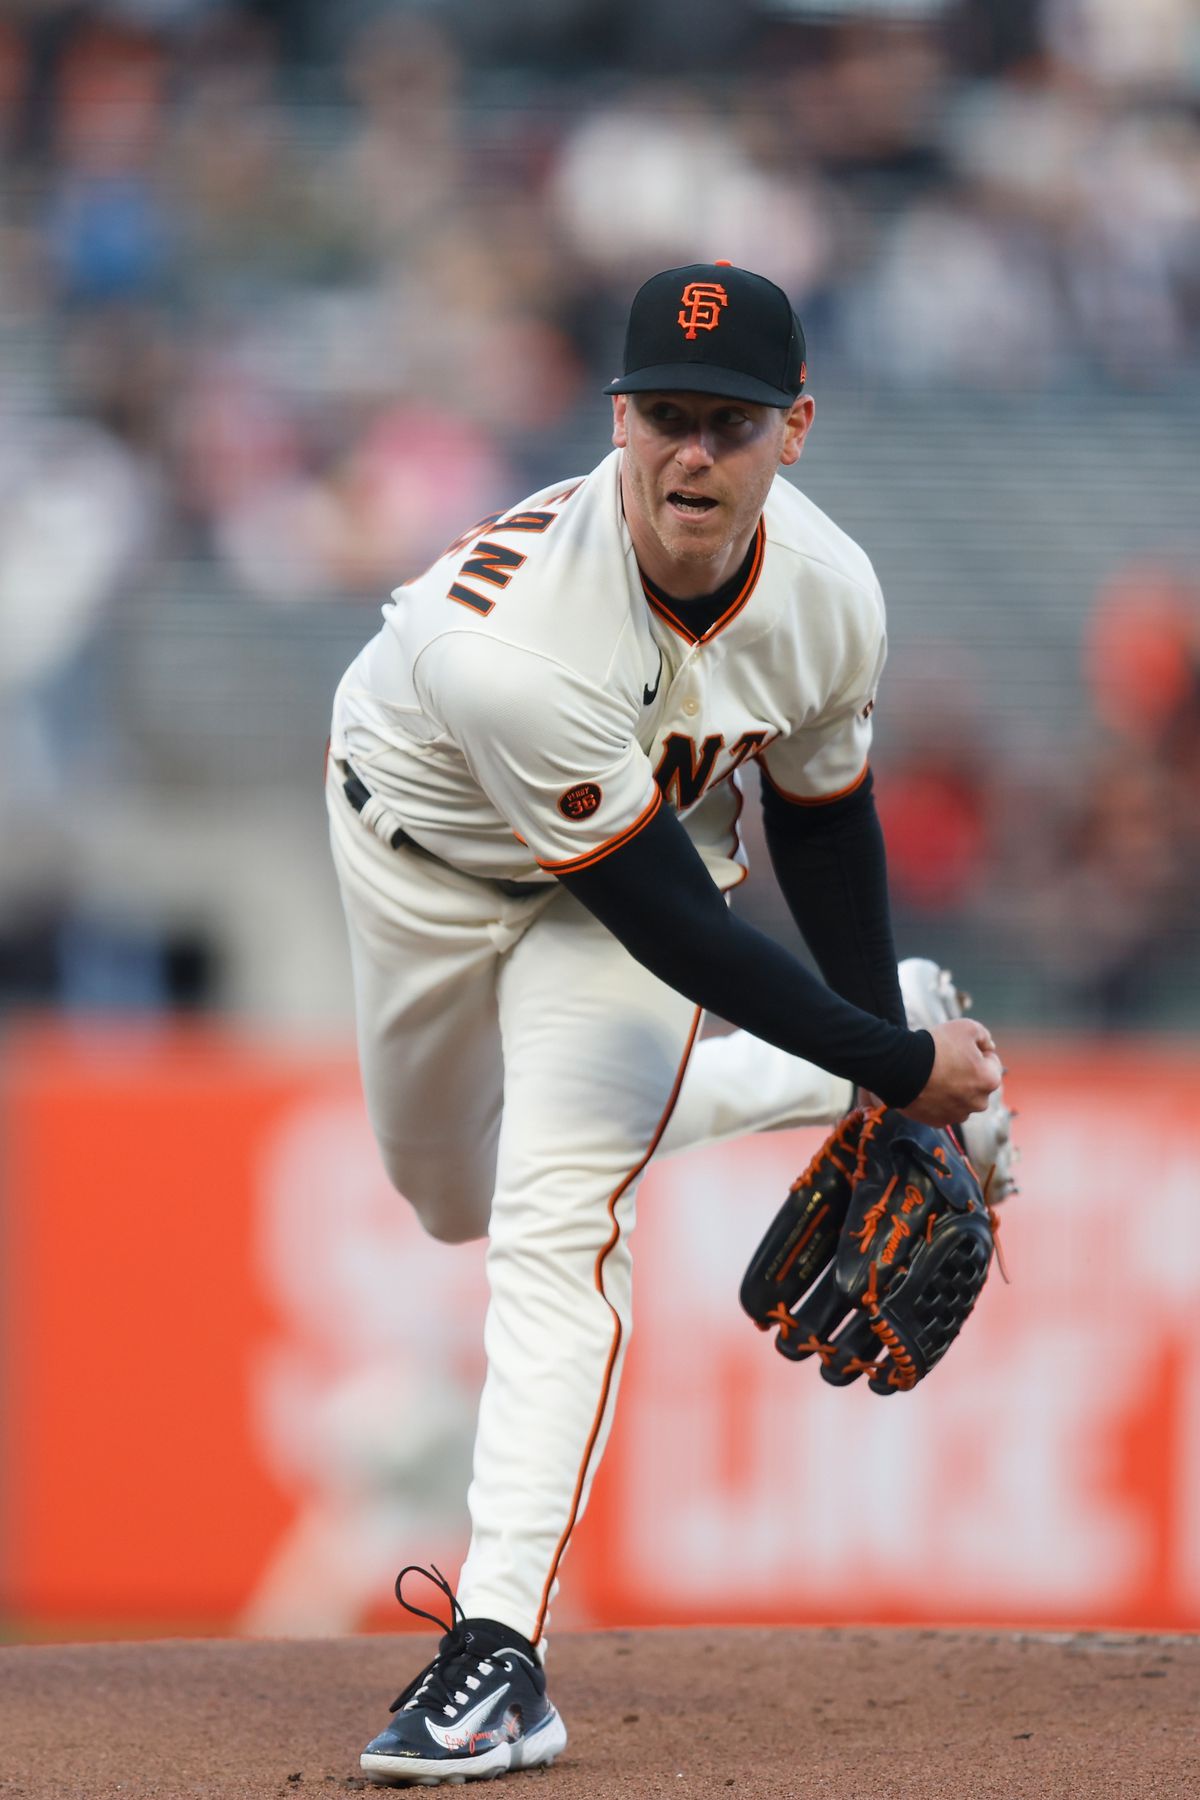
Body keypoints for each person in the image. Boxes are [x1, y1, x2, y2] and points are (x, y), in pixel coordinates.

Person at [326, 262, 1004, 1787]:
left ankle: (497, 1653)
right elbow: (675, 929)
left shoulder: (831, 593)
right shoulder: (506, 640)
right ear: (617, 418)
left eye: (733, 424)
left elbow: (821, 825)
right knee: (447, 1196)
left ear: (796, 431)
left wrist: (890, 1078)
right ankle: (842, 1046)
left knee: (558, 1210)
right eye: (669, 419)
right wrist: (887, 1059)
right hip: (426, 860)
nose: (696, 455)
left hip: (639, 868)